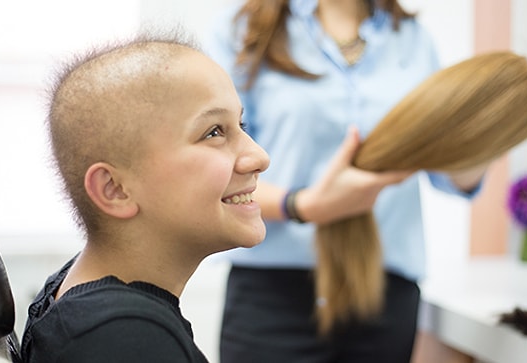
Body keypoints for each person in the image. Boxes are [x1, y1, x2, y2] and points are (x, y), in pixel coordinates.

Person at [204, 1, 493, 362]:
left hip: (383, 294)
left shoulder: (413, 41)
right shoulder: (242, 32)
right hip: (273, 294)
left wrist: (496, 127)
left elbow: (449, 174)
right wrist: (305, 205)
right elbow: (218, 167)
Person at [20, 31, 270, 363]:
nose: (259, 157)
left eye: (242, 125)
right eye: (214, 132)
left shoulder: (79, 301)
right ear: (115, 189)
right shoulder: (124, 339)